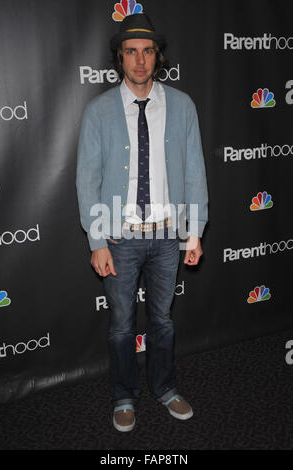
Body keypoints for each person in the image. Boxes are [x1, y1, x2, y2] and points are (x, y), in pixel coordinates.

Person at [76, 13, 208, 432]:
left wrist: (194, 232)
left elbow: (194, 172)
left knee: (163, 321)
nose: (139, 60)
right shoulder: (98, 111)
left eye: (147, 51)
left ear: (158, 57)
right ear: (120, 57)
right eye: (131, 51)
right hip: (119, 237)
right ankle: (123, 396)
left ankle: (165, 388)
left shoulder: (183, 105)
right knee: (120, 324)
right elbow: (87, 179)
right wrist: (97, 240)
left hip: (169, 237)